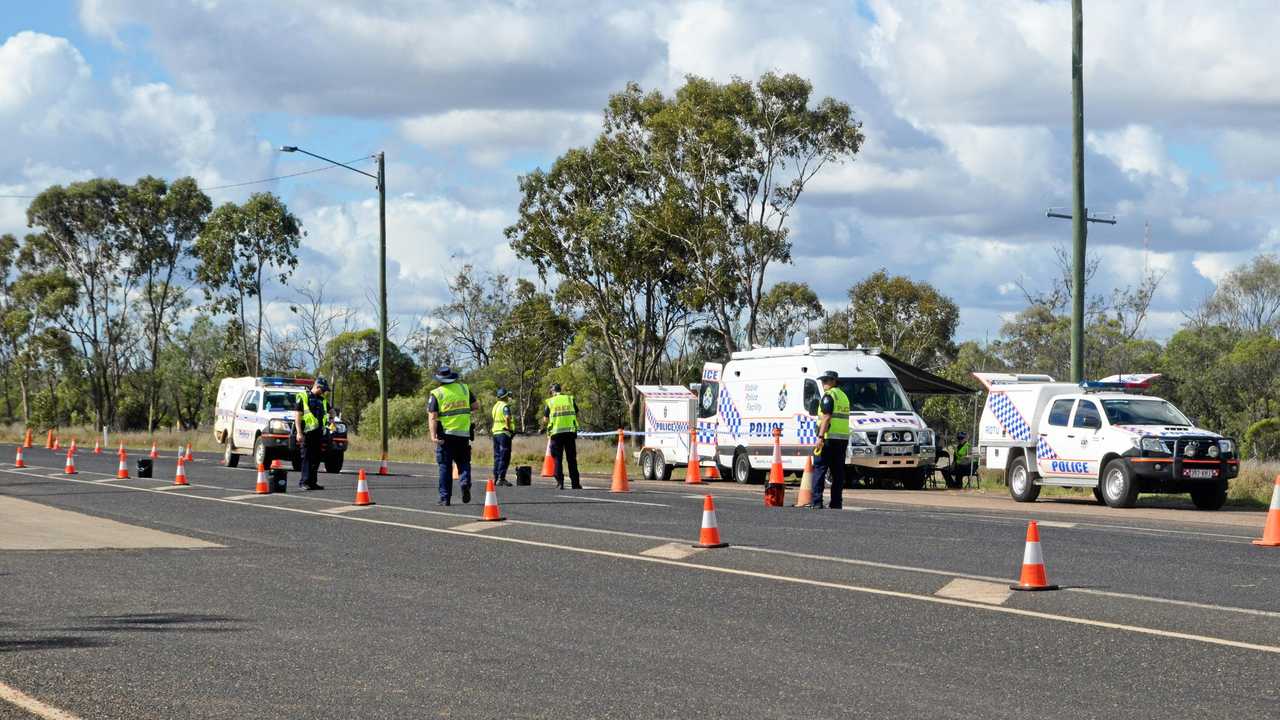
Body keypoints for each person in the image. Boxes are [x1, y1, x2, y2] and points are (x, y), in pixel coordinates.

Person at [428, 366, 479, 506]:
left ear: (440, 380)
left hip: (445, 435)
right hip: (463, 434)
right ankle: (464, 482)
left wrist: (433, 436)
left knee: (445, 466)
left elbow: (433, 416)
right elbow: (476, 406)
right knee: (463, 462)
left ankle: (445, 498)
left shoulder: (437, 393)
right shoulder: (464, 389)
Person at [809, 371, 849, 509]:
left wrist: (820, 437)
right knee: (838, 473)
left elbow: (826, 417)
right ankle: (836, 503)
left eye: (827, 380)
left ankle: (816, 502)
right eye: (823, 380)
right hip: (842, 440)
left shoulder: (829, 396)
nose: (824, 382)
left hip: (828, 440)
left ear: (834, 381)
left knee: (819, 469)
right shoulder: (843, 396)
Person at [539, 383, 581, 490]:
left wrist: (543, 428)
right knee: (571, 459)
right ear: (560, 390)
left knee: (558, 459)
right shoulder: (569, 399)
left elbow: (545, 419)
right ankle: (575, 483)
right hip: (570, 432)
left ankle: (560, 483)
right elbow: (576, 413)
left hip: (556, 434)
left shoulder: (551, 401)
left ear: (552, 392)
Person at [293, 377, 331, 491]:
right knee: (307, 458)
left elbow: (331, 410)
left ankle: (313, 482)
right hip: (306, 433)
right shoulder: (304, 397)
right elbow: (297, 416)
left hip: (318, 433)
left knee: (316, 458)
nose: (324, 392)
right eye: (323, 390)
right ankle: (304, 482)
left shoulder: (322, 400)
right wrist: (299, 432)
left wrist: (332, 418)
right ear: (317, 386)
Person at [491, 388, 514, 487]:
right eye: (508, 396)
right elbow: (507, 417)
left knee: (497, 456)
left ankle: (496, 477)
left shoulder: (495, 406)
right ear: (505, 396)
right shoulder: (505, 406)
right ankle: (501, 478)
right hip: (503, 433)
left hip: (495, 433)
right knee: (504, 456)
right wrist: (508, 428)